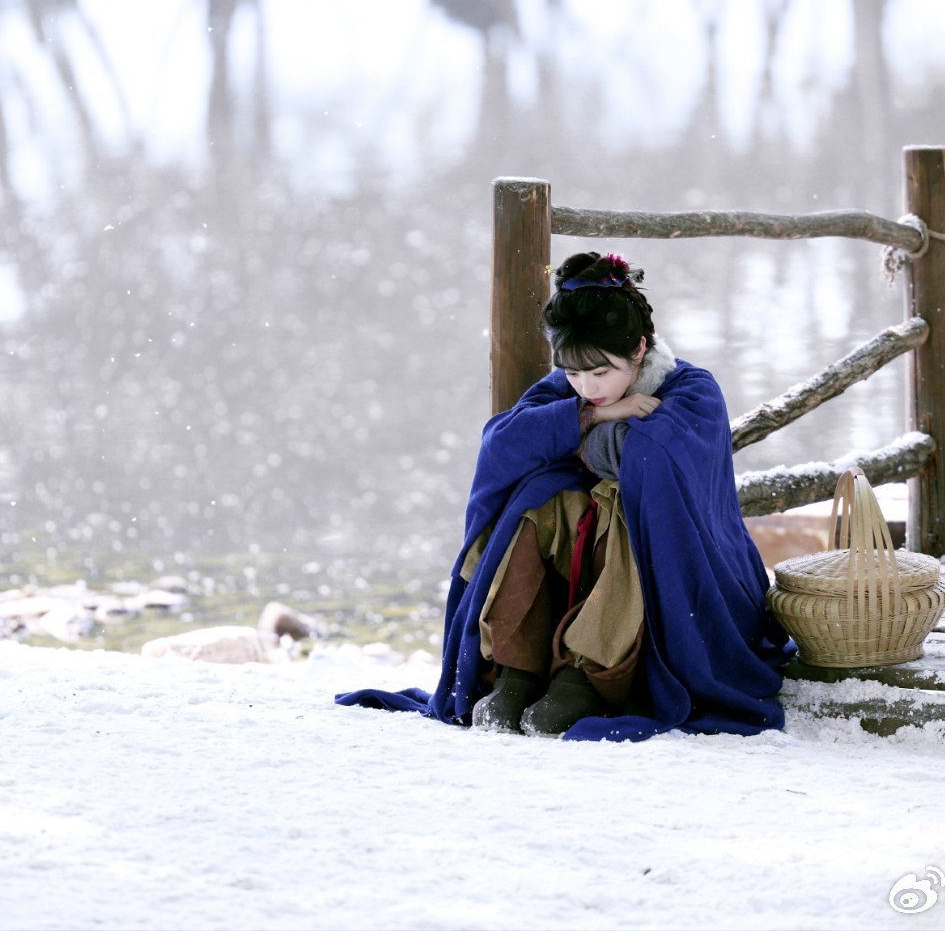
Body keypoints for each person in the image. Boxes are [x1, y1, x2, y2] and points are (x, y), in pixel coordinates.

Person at [338, 252, 796, 740]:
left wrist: (569, 441)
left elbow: (650, 465)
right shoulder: (573, 390)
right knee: (537, 498)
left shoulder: (693, 390)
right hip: (576, 559)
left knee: (625, 503)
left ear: (639, 349)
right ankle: (521, 669)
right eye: (574, 374)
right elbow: (501, 444)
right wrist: (598, 415)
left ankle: (587, 673)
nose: (586, 386)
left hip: (662, 580)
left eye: (601, 373)